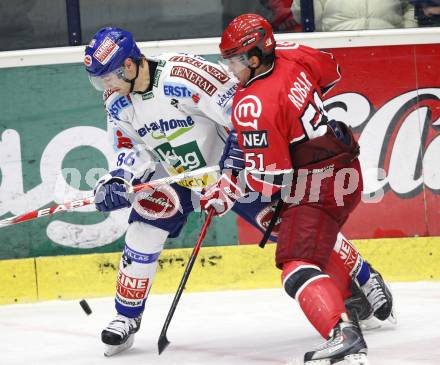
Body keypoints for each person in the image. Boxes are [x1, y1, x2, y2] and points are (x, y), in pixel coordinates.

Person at [84, 26, 393, 357]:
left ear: (130, 66)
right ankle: (125, 317)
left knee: (293, 229)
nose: (106, 85)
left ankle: (361, 273)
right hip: (178, 177)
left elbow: (243, 117)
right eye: (99, 79)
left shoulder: (185, 75)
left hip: (236, 171)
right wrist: (118, 178)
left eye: (109, 76)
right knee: (143, 228)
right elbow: (126, 146)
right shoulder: (116, 99)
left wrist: (231, 174)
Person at [200, 13, 394, 364]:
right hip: (343, 165)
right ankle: (357, 297)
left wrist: (231, 190)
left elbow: (272, 180)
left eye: (235, 60)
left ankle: (343, 334)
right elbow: (330, 72)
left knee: (295, 262)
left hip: (316, 183)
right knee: (314, 247)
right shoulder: (290, 52)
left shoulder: (251, 105)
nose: (230, 69)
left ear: (255, 57)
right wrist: (282, 122)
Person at [292, 0, 416, 31]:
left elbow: (409, 7)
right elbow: (303, 17)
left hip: (391, 45)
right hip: (337, 47)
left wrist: (409, 32)